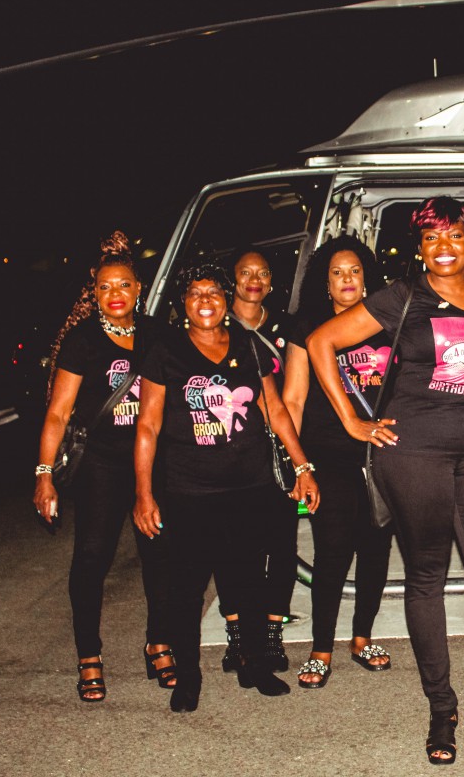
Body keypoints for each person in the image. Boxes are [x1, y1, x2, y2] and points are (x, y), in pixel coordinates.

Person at [306, 197, 464, 765]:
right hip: (414, 452)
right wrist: (353, 422)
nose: (443, 247)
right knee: (426, 576)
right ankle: (442, 709)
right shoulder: (401, 296)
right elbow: (320, 342)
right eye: (431, 238)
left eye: (453, 235)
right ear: (420, 248)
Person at [132, 259, 320, 713]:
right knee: (187, 589)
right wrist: (143, 493)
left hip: (250, 487)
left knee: (248, 582)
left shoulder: (248, 345)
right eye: (195, 293)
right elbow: (148, 426)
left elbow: (275, 410)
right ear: (183, 302)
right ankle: (188, 678)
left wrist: (302, 466)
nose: (206, 301)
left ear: (225, 299)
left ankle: (255, 665)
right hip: (189, 492)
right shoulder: (165, 350)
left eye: (214, 293)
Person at [33, 231, 175, 702]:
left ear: (139, 288)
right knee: (92, 558)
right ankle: (89, 655)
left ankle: (158, 643)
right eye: (105, 287)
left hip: (153, 462)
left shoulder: (158, 334)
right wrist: (44, 475)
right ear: (93, 292)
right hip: (101, 464)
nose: (115, 294)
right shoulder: (83, 341)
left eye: (124, 285)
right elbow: (58, 413)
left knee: (159, 555)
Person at [281, 235, 394, 688]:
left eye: (354, 271)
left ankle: (362, 637)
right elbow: (293, 399)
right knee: (332, 549)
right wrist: (297, 464)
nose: (347, 279)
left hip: (382, 451)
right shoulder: (307, 325)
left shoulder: (388, 321)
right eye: (337, 273)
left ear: (366, 278)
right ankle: (321, 648)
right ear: (325, 282)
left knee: (376, 549)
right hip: (327, 453)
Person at [220, 249, 296, 673]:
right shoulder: (213, 324)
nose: (254, 279)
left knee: (282, 545)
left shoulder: (285, 326)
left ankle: (270, 635)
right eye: (245, 272)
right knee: (230, 547)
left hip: (279, 449)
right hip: (229, 453)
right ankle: (237, 635)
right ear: (232, 280)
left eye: (262, 273)